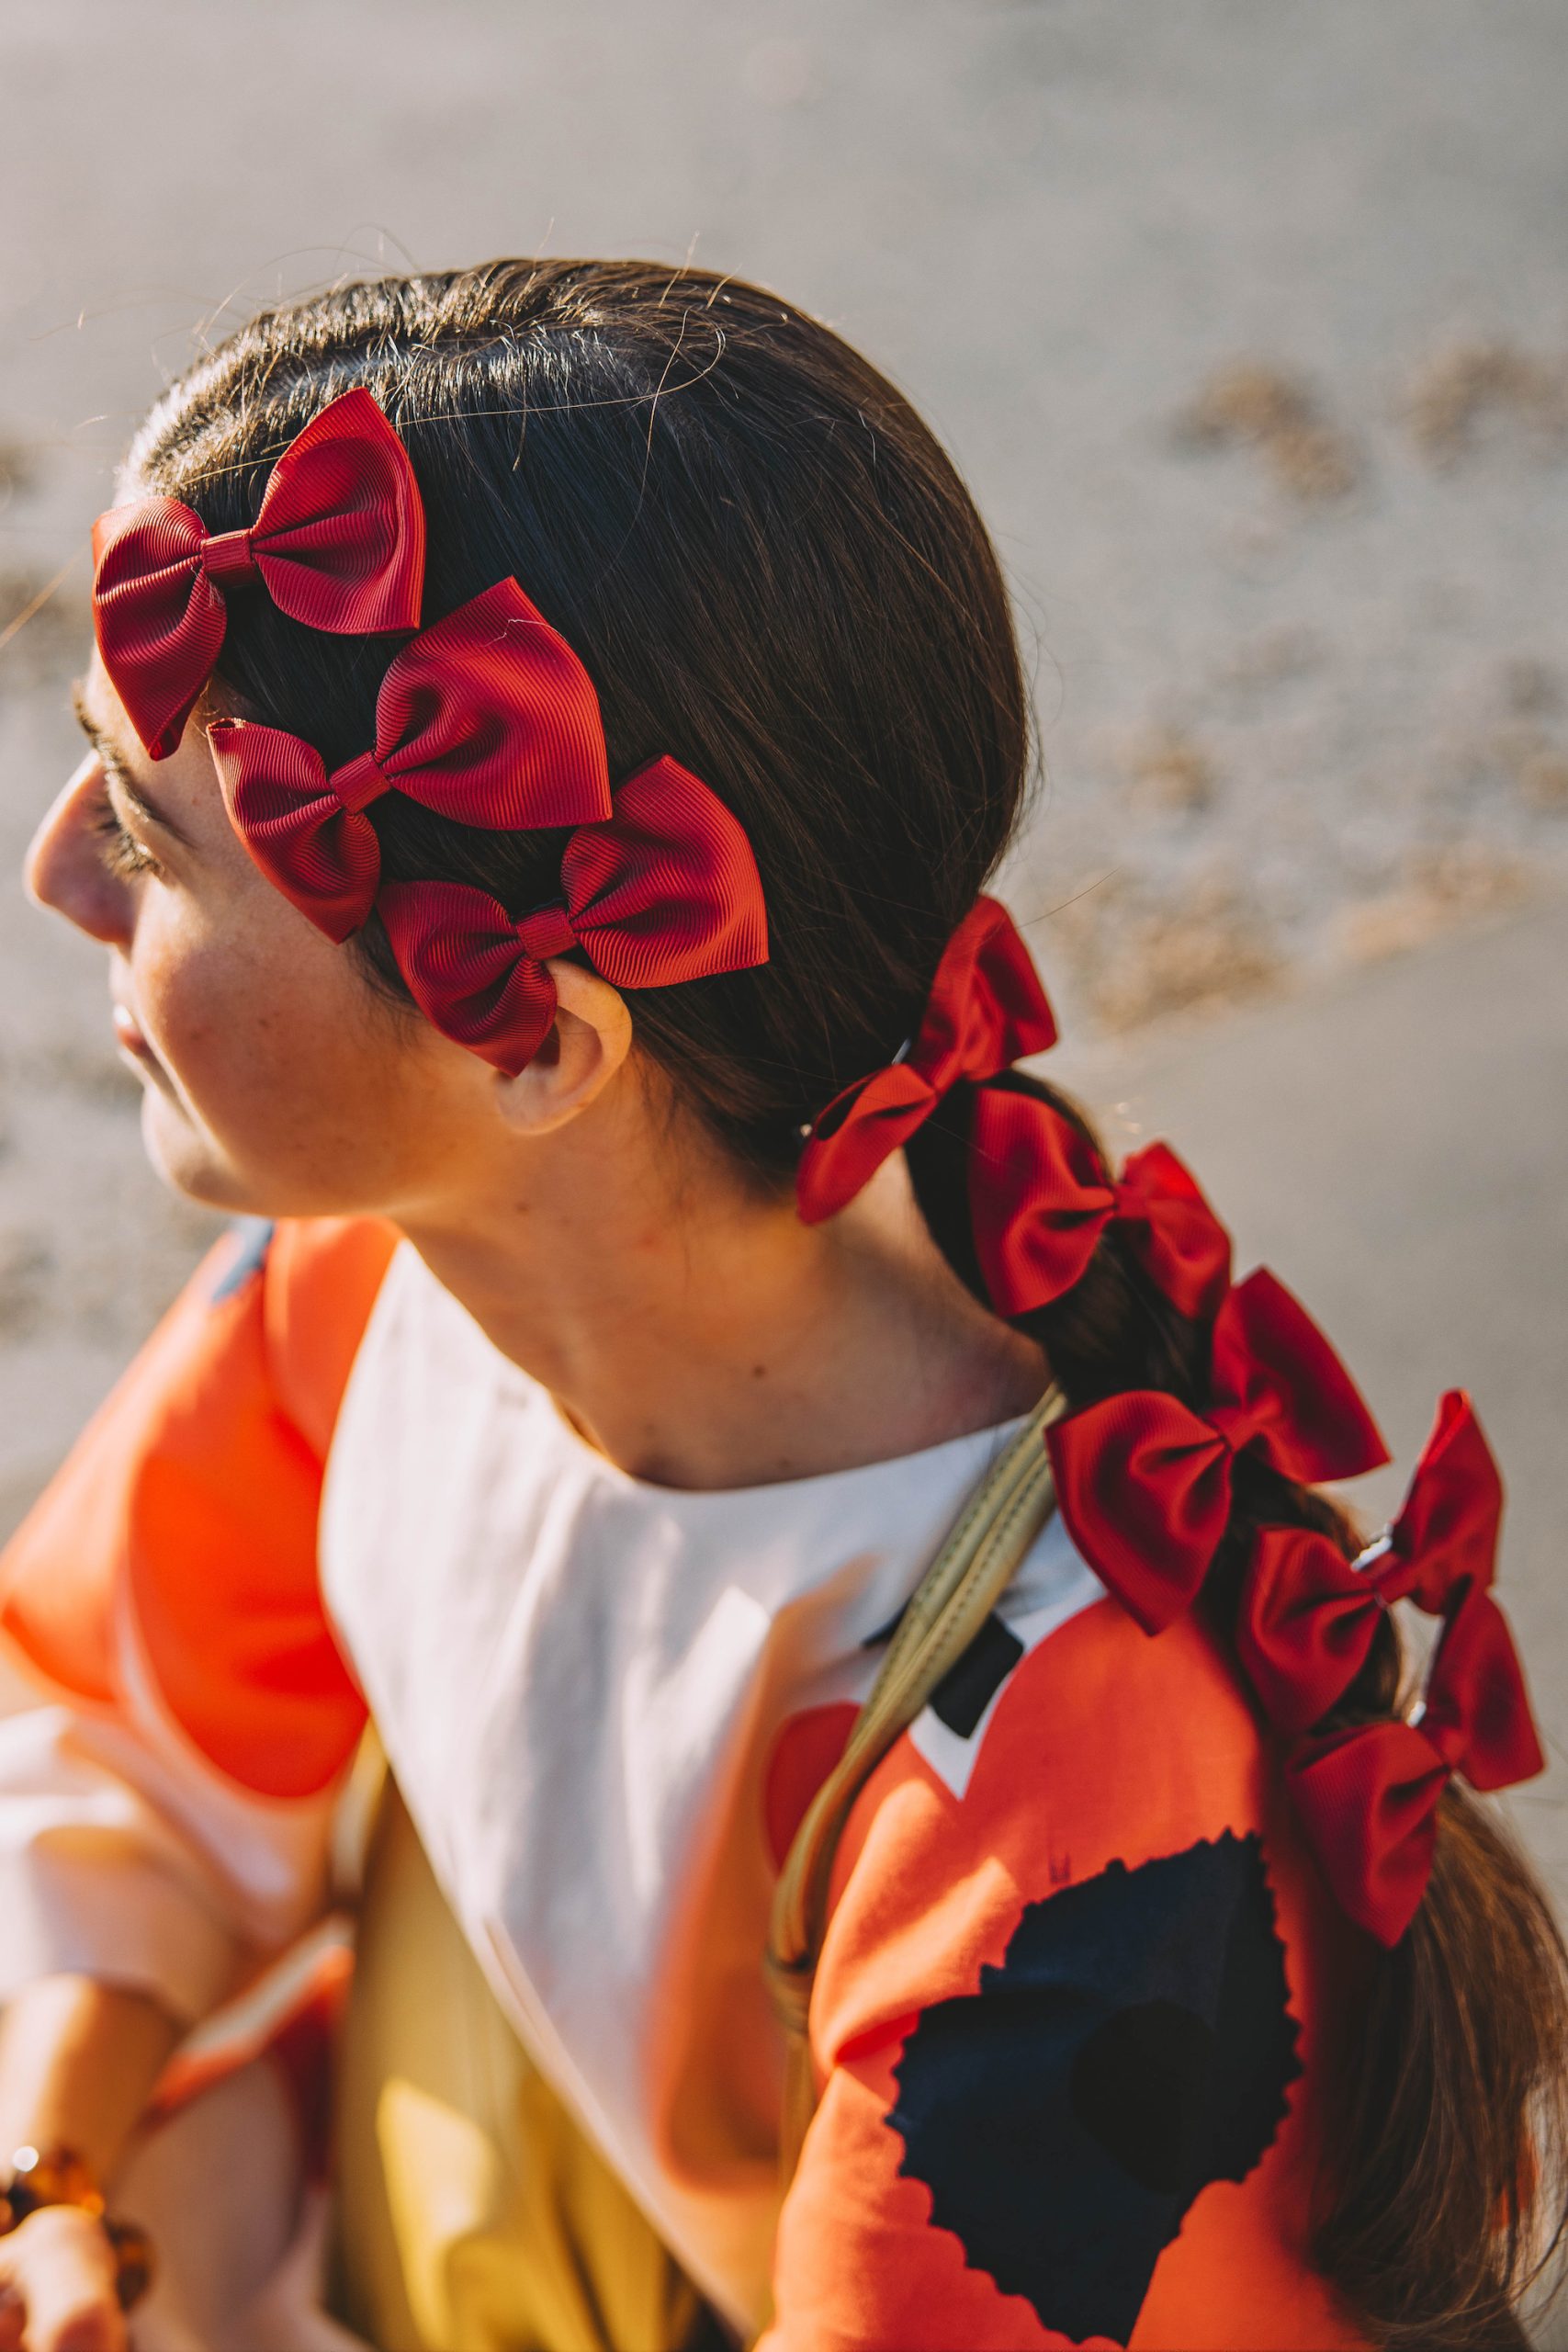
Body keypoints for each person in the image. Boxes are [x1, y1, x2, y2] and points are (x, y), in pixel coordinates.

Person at [0, 257, 1560, 2352]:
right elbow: (114, 1727)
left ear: (539, 1042)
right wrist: (53, 2162)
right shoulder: (363, 1285)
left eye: (148, 834)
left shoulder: (1060, 1816)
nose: (55, 877)